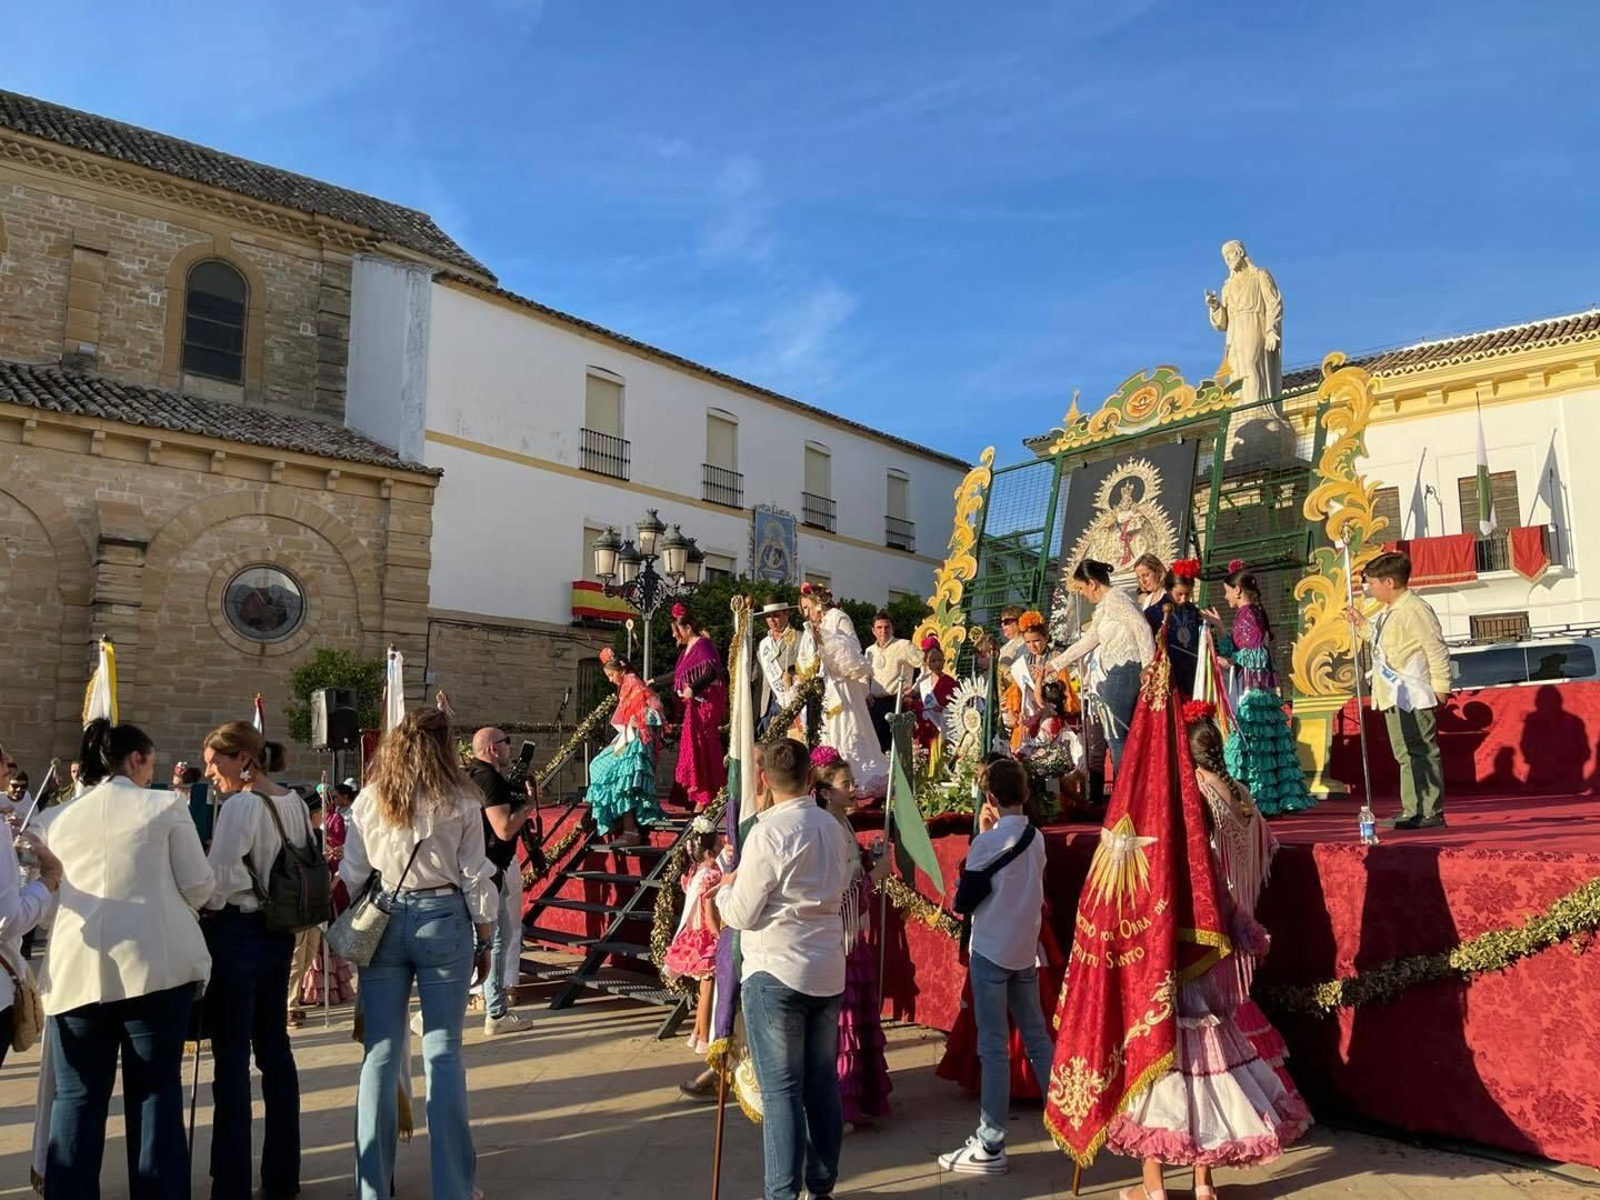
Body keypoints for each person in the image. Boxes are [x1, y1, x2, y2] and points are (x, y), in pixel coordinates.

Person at [1107, 701, 1311, 1191]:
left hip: (1165, 987)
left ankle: (1153, 1186)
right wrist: (1248, 931)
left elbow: (1129, 912)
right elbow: (1233, 899)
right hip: (1209, 974)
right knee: (1207, 1077)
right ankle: (1203, 1184)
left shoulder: (1158, 863)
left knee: (1160, 1083)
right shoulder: (1208, 863)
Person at [41, 719, 215, 1199]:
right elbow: (200, 884)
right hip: (154, 967)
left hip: (78, 970)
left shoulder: (55, 818)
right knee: (155, 1094)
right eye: (150, 764)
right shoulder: (164, 805)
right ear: (136, 760)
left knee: (75, 1100)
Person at [340, 706, 497, 1200]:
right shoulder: (461, 801)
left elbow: (349, 874)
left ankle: (372, 1188)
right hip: (443, 916)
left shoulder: (369, 800)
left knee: (380, 1055)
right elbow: (476, 877)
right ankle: (452, 1187)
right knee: (444, 1053)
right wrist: (487, 938)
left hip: (386, 914)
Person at [716, 738, 856, 1200]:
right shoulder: (833, 827)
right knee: (820, 1084)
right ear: (810, 778)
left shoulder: (769, 833)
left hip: (776, 969)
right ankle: (821, 1186)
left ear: (763, 781)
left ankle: (781, 1193)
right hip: (824, 965)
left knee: (782, 1094)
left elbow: (741, 913)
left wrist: (722, 892)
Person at [201, 720, 314, 1200]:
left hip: (238, 931)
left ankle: (231, 1181)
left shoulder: (241, 805)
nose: (209, 772)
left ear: (243, 759)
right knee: (275, 1053)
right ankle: (281, 1174)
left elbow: (218, 882)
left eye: (215, 761)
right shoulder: (293, 801)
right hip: (278, 932)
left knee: (231, 1060)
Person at [937, 758, 1054, 1176]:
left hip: (990, 949)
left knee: (993, 1047)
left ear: (990, 798)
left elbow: (964, 900)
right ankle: (1064, 1117)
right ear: (1025, 795)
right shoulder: (1036, 838)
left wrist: (983, 837)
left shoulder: (986, 843)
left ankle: (991, 1141)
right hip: (1024, 949)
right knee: (1038, 1037)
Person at [812, 749, 892, 1130]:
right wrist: (873, 878)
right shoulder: (828, 828)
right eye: (846, 785)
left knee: (854, 1014)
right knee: (843, 1018)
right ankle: (840, 1101)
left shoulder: (842, 823)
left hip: (852, 931)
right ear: (826, 791)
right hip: (841, 931)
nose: (853, 790)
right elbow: (840, 886)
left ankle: (858, 1096)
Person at [1348, 550, 1452, 830]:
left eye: (1371, 582)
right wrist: (1361, 624)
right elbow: (1384, 644)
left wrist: (1441, 687)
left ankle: (1429, 810)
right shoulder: (1388, 613)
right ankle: (1412, 808)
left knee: (1421, 751)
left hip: (1414, 691)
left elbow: (1436, 648)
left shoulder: (1415, 609)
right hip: (1394, 693)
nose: (1368, 588)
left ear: (1389, 582)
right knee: (1405, 753)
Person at [1202, 563, 1313, 816]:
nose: (1226, 596)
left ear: (1238, 590)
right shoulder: (1252, 613)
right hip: (1258, 685)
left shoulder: (1248, 615)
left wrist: (1230, 661)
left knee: (1252, 743)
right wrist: (1220, 627)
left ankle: (1259, 800)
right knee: (1262, 743)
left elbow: (1257, 656)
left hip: (1252, 687)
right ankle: (1266, 801)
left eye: (1227, 591)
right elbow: (1241, 648)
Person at [466, 725, 539, 1035]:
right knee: (493, 940)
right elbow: (505, 829)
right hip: (489, 868)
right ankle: (494, 1011)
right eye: (506, 742)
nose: (510, 748)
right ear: (493, 748)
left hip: (479, 867)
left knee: (493, 938)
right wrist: (528, 805)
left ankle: (491, 1007)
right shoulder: (489, 779)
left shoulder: (471, 775)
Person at [1053, 559, 1155, 776]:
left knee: (1117, 737)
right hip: (1119, 673)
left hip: (1125, 670)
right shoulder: (1105, 606)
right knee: (1117, 736)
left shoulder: (1115, 598)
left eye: (1081, 588)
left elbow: (1142, 628)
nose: (1082, 594)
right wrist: (1055, 665)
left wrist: (1149, 667)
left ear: (1092, 583)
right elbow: (1089, 639)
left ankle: (1124, 794)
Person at [797, 583, 890, 798]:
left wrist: (825, 639)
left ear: (818, 604)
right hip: (824, 690)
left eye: (807, 607)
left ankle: (853, 778)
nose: (806, 612)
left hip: (843, 688)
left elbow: (853, 652)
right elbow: (806, 661)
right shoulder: (810, 627)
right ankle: (828, 778)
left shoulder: (838, 617)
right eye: (803, 609)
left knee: (848, 731)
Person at [586, 648, 667, 844]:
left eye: (611, 675)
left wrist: (637, 719)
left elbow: (654, 711)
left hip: (636, 743)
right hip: (629, 740)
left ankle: (629, 830)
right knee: (601, 767)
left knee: (620, 779)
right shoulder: (627, 686)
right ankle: (619, 822)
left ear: (620, 670)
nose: (610, 679)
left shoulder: (635, 684)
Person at [662, 816, 722, 1056]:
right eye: (718, 845)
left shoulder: (695, 873)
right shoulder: (711, 877)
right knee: (707, 989)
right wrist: (719, 937)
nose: (722, 847)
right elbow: (709, 915)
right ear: (709, 852)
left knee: (702, 989)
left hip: (694, 935)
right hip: (706, 937)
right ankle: (705, 1037)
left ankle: (697, 1032)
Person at [670, 603, 729, 809]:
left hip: (704, 707)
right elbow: (677, 676)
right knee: (693, 748)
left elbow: (712, 672)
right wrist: (654, 682)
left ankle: (707, 796)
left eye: (676, 631)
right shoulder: (687, 650)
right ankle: (699, 797)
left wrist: (693, 688)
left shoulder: (703, 645)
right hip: (693, 707)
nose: (674, 636)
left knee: (702, 746)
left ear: (687, 628)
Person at [865, 611, 919, 750]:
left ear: (892, 628)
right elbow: (864, 676)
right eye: (879, 627)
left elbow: (926, 666)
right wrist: (866, 692)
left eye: (887, 627)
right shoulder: (870, 651)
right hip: (876, 705)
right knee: (876, 747)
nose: (883, 631)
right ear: (873, 630)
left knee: (896, 747)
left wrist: (914, 689)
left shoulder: (904, 645)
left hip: (897, 703)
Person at [1159, 560, 1205, 698]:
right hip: (1171, 672)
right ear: (1168, 589)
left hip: (1193, 671)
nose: (1184, 599)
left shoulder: (1193, 611)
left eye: (1188, 594)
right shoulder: (1155, 611)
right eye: (1179, 594)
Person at [756, 602, 802, 735]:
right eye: (768, 616)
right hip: (767, 704)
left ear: (787, 614)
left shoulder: (800, 638)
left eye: (776, 615)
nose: (771, 620)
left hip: (790, 700)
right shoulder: (763, 643)